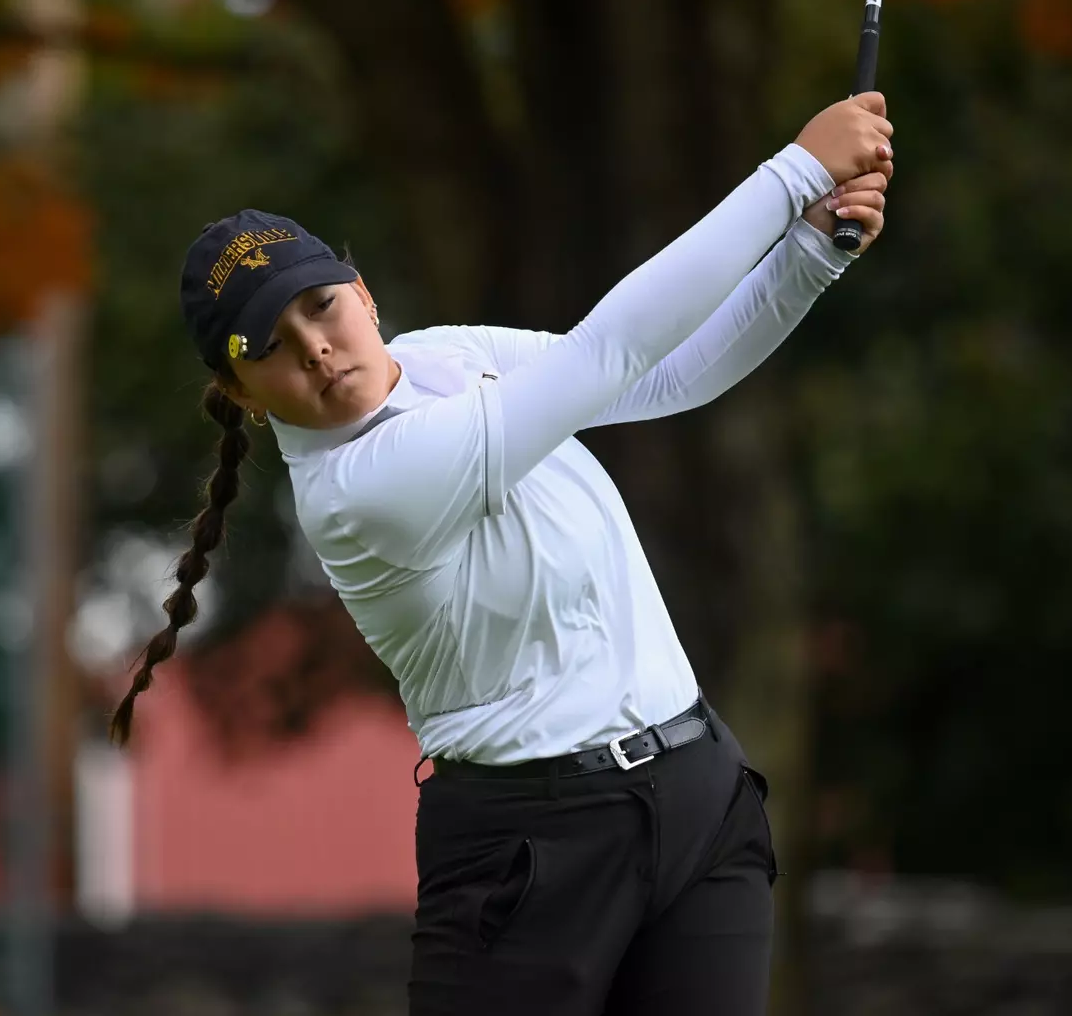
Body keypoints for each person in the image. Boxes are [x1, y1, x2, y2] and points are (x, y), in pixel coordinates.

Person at [111, 92, 895, 1015]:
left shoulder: (446, 358)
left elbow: (666, 374)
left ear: (362, 293)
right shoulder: (359, 491)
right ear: (242, 393)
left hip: (698, 800)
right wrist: (794, 172)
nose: (316, 349)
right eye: (273, 348)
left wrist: (810, 252)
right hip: (531, 854)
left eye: (321, 306)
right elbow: (606, 353)